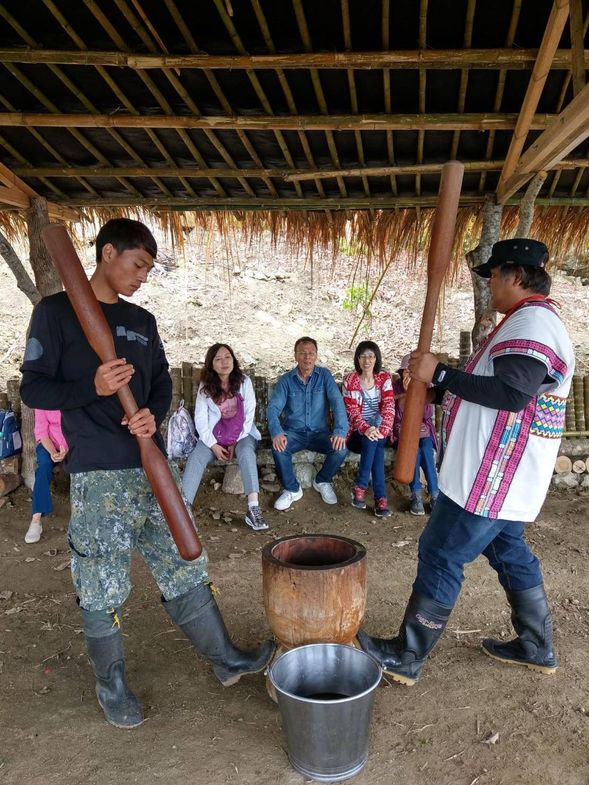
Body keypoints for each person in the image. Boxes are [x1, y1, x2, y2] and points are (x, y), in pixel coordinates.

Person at [20, 218, 274, 729]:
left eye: (148, 270)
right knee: (100, 584)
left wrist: (152, 414)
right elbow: (34, 390)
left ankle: (225, 660)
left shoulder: (142, 320)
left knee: (183, 563)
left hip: (149, 467)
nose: (142, 277)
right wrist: (91, 385)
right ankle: (110, 686)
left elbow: (161, 384)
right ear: (108, 252)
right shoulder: (53, 314)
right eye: (137, 265)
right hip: (98, 474)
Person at [358, 239, 574, 685]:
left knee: (440, 552)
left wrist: (439, 373)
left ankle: (408, 655)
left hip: (492, 474)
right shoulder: (523, 322)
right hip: (503, 476)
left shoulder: (532, 323)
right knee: (509, 550)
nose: (490, 282)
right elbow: (489, 387)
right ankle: (536, 645)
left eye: (495, 274)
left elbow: (513, 395)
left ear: (516, 275)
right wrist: (435, 390)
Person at [182, 343, 268, 531]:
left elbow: (249, 413)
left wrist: (235, 440)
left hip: (241, 433)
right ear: (211, 364)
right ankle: (183, 510)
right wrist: (213, 445)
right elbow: (201, 418)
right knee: (197, 457)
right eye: (218, 359)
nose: (224, 362)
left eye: (227, 357)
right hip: (213, 435)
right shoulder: (206, 386)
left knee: (246, 452)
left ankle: (253, 508)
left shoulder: (244, 381)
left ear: (233, 359)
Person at [267, 337, 348, 510]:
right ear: (295, 356)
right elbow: (273, 408)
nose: (307, 357)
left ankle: (322, 480)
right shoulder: (286, 380)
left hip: (320, 433)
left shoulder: (324, 376)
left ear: (316, 356)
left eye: (311, 353)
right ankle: (292, 489)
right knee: (279, 448)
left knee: (341, 449)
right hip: (294, 433)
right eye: (302, 353)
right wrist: (277, 432)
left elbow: (337, 402)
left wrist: (340, 431)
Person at [342, 340, 394, 518]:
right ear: (357, 359)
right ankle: (380, 498)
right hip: (357, 434)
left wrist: (382, 429)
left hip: (380, 431)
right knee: (372, 442)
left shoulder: (384, 378)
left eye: (371, 356)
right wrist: (366, 429)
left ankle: (361, 487)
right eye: (363, 356)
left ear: (376, 358)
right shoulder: (350, 380)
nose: (367, 360)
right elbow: (352, 413)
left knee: (375, 441)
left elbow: (389, 407)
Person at [392, 355, 439, 516]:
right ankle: (416, 494)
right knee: (414, 452)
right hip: (403, 431)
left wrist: (415, 394)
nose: (408, 376)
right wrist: (405, 395)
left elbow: (426, 414)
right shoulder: (395, 388)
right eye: (405, 372)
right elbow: (394, 415)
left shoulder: (425, 387)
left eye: (411, 373)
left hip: (422, 429)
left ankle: (434, 494)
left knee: (426, 449)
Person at [24, 409, 68, 544]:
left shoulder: (71, 395)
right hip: (48, 443)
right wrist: (53, 453)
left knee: (83, 465)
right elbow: (42, 433)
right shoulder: (42, 402)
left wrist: (66, 449)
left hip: (72, 443)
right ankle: (36, 520)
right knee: (43, 468)